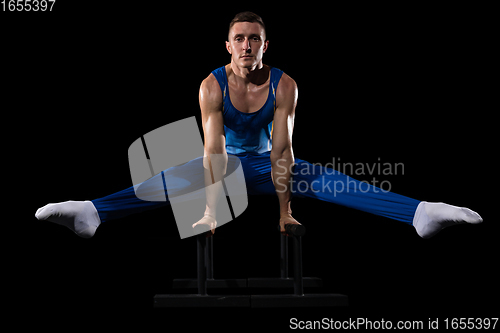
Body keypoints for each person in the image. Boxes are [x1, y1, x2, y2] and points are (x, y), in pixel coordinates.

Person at [35, 12, 482, 239]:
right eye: (239, 39)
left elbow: (282, 150)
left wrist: (284, 211)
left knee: (332, 180)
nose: (246, 45)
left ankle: (419, 214)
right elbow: (213, 151)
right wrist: (212, 209)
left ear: (265, 45)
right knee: (170, 177)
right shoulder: (211, 86)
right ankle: (92, 213)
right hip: (224, 165)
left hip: (271, 166)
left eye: (254, 39)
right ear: (227, 45)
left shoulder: (284, 85)